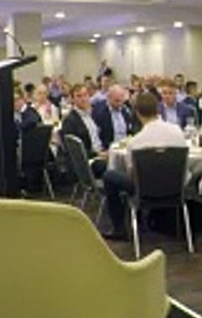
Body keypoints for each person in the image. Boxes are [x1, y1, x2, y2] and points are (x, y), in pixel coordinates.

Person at [101, 91, 188, 238]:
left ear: (137, 113)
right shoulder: (177, 131)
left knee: (109, 176)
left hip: (144, 191)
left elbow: (132, 173)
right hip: (176, 187)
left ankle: (119, 228)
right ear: (157, 108)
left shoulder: (135, 142)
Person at [60, 85, 106, 175]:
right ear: (72, 99)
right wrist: (97, 154)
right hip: (87, 159)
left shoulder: (93, 114)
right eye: (79, 96)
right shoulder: (70, 121)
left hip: (101, 151)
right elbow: (74, 150)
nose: (83, 99)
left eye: (85, 95)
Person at [94, 85, 138, 150]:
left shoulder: (125, 110)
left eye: (121, 100)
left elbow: (130, 129)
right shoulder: (100, 113)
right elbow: (99, 136)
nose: (120, 104)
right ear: (109, 98)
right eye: (116, 101)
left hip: (125, 146)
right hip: (110, 148)